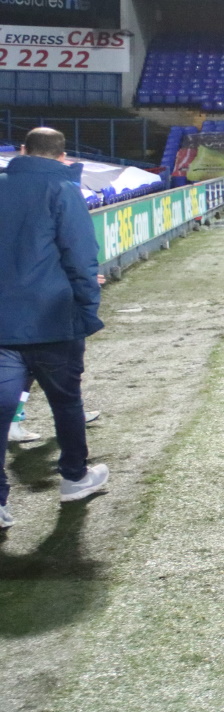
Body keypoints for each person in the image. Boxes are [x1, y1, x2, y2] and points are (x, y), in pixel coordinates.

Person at [0, 127, 109, 529]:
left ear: (22, 151)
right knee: (66, 402)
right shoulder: (63, 190)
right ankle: (74, 478)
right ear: (63, 158)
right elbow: (82, 258)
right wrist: (86, 309)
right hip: (53, 321)